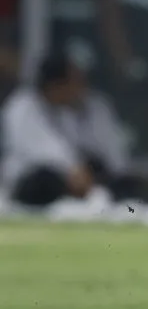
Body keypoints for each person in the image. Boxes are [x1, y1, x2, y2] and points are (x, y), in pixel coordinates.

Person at [0, 52, 130, 206]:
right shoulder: (22, 107)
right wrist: (73, 170)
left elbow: (104, 154)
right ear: (56, 85)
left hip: (74, 177)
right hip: (29, 181)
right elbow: (44, 148)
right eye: (76, 81)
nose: (82, 87)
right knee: (46, 179)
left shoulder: (71, 110)